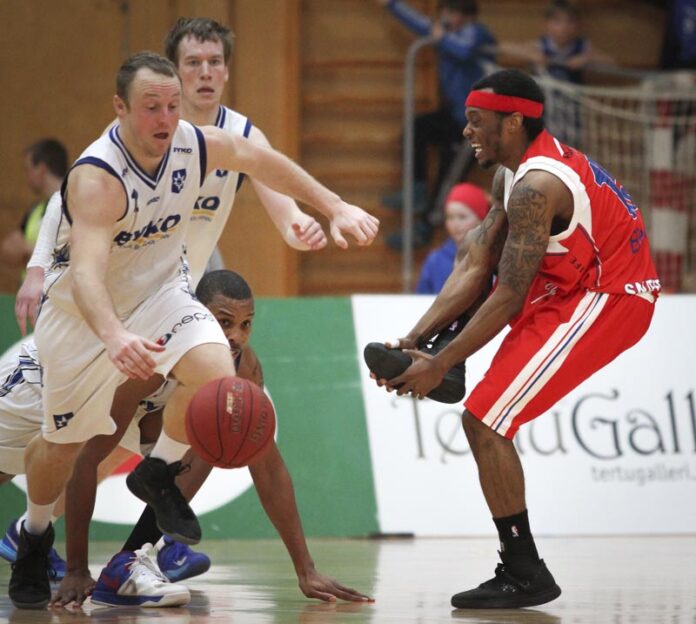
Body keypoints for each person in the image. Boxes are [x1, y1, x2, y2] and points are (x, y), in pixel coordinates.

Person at [9, 51, 379, 610]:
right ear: (120, 107)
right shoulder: (98, 176)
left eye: (172, 106)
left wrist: (334, 205)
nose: (165, 118)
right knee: (60, 450)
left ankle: (157, 473)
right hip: (85, 318)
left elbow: (261, 160)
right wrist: (113, 336)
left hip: (163, 297)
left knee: (217, 373)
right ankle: (35, 533)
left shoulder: (194, 143)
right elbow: (85, 275)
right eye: (151, 107)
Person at [373, 68, 660, 609]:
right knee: (479, 256)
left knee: (485, 421)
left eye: (476, 121)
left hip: (610, 294)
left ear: (512, 122)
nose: (466, 131)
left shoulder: (537, 187)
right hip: (568, 284)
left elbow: (507, 295)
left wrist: (439, 362)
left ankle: (525, 573)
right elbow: (475, 263)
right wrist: (415, 339)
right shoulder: (511, 175)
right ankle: (445, 361)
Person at [375, 0, 496, 250]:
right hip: (455, 116)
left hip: (476, 125)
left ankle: (425, 227)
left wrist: (441, 38)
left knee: (447, 179)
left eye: (455, 13)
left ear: (468, 16)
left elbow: (464, 51)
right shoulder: (445, 33)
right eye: (446, 12)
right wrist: (392, 5)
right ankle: (417, 189)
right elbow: (420, 24)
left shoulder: (476, 33)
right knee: (417, 129)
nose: (449, 18)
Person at [0, 139, 68, 275]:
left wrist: (29, 249)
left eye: (28, 169)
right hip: (30, 287)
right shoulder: (35, 210)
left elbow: (72, 259)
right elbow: (8, 251)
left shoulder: (74, 206)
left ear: (41, 169)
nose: (27, 177)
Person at [415, 182, 489, 294]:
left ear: (481, 219)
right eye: (450, 217)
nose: (455, 224)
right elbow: (421, 299)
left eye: (462, 217)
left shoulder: (493, 258)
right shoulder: (435, 260)